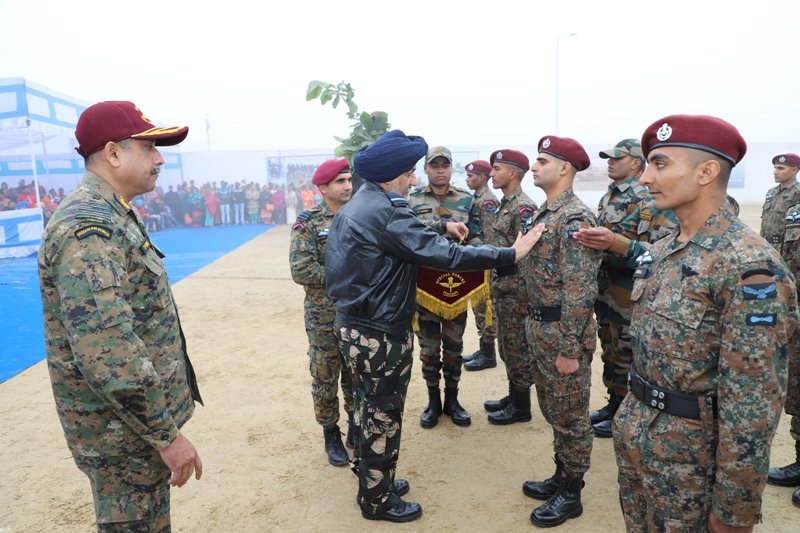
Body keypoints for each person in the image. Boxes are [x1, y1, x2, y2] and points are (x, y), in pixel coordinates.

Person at [325, 129, 544, 523]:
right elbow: (444, 257)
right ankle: (377, 500)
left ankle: (374, 478)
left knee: (365, 407)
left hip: (353, 327)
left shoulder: (360, 204)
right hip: (379, 333)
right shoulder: (387, 209)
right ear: (392, 175)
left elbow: (403, 241)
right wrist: (511, 252)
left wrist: (441, 228)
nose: (413, 180)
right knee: (382, 415)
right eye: (409, 173)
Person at [613, 114, 798, 532]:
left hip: (693, 467)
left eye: (660, 164)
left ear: (706, 172)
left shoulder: (750, 268)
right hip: (641, 446)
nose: (645, 178)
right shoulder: (662, 252)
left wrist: (735, 510)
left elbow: (752, 403)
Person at [38, 100, 203, 532]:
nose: (160, 157)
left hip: (131, 430)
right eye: (149, 147)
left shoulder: (111, 213)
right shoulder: (88, 227)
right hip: (123, 434)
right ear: (113, 154)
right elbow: (110, 352)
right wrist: (166, 436)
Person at [519, 135, 600, 528]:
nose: (533, 167)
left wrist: (570, 347)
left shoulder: (573, 217)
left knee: (570, 417)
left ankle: (572, 492)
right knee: (553, 410)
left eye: (542, 161)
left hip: (562, 331)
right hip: (540, 326)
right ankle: (560, 474)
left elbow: (581, 289)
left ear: (564, 168)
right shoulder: (544, 213)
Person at [408, 146, 482, 428]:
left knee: (454, 346)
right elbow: (411, 234)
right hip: (425, 287)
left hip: (455, 287)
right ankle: (433, 401)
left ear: (452, 168)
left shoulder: (465, 200)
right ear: (425, 169)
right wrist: (442, 225)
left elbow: (475, 235)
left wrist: (482, 255)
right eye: (434, 165)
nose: (440, 170)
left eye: (445, 165)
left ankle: (452, 399)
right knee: (428, 349)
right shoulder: (411, 200)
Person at [289, 158, 356, 467]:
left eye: (348, 180)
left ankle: (357, 426)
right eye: (340, 181)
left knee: (356, 374)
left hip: (357, 312)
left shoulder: (360, 216)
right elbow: (301, 269)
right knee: (325, 376)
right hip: (323, 315)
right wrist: (346, 276)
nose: (347, 186)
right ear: (323, 188)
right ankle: (331, 433)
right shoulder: (308, 223)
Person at [584, 139, 650, 438]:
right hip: (607, 286)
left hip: (628, 288)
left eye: (616, 158)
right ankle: (614, 403)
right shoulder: (610, 195)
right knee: (610, 346)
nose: (609, 163)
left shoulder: (644, 197)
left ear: (636, 163)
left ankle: (625, 410)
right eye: (608, 159)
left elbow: (651, 248)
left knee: (625, 349)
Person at [481, 149, 539, 425]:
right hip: (503, 287)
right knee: (507, 348)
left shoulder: (523, 208)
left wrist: (524, 295)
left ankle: (521, 407)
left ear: (513, 173)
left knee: (517, 350)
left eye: (496, 169)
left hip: (516, 291)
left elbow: (528, 255)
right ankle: (513, 396)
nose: (491, 174)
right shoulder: (506, 204)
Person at [767, 153, 800, 504]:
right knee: (796, 391)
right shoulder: (775, 199)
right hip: (791, 307)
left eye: (783, 166)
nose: (777, 171)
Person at [461, 160, 500, 371]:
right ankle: (482, 349)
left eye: (471, 176)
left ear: (482, 178)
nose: (467, 179)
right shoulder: (476, 198)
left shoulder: (487, 202)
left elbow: (490, 237)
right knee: (478, 307)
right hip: (476, 260)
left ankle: (488, 354)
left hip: (484, 262)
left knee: (486, 308)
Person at [761, 153, 800, 250]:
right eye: (775, 168)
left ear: (794, 170)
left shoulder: (798, 193)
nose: (775, 172)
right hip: (766, 247)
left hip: (786, 250)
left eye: (781, 168)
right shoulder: (771, 192)